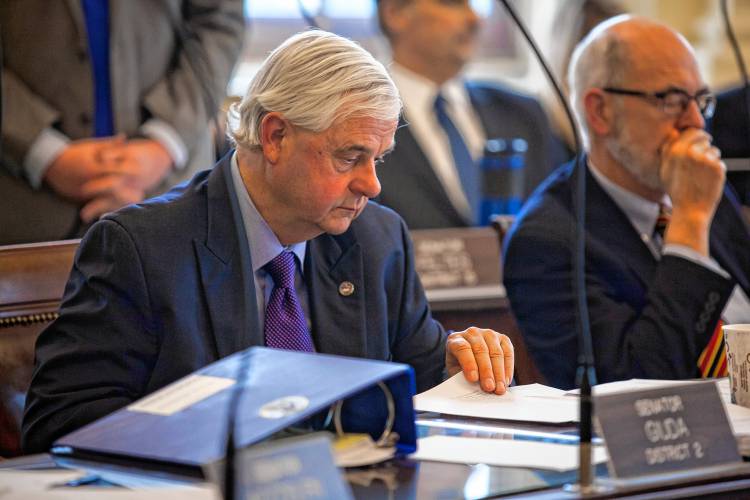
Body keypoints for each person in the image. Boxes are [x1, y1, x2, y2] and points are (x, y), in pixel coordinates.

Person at [22, 30, 515, 453]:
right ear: (275, 136)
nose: (372, 184)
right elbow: (59, 423)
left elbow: (419, 381)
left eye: (378, 158)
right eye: (349, 157)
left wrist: (459, 363)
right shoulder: (141, 248)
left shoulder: (378, 240)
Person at [503, 15, 750, 390]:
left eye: (701, 100)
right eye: (672, 100)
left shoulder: (704, 186)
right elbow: (633, 386)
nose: (696, 123)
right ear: (600, 111)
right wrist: (689, 224)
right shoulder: (546, 242)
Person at [0, 0, 244, 244]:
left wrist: (164, 142)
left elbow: (220, 21)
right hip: (24, 204)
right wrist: (42, 151)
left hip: (172, 195)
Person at [374, 0, 569, 229]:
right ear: (395, 13)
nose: (475, 18)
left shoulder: (524, 114)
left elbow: (563, 217)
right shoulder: (362, 125)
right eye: (453, 4)